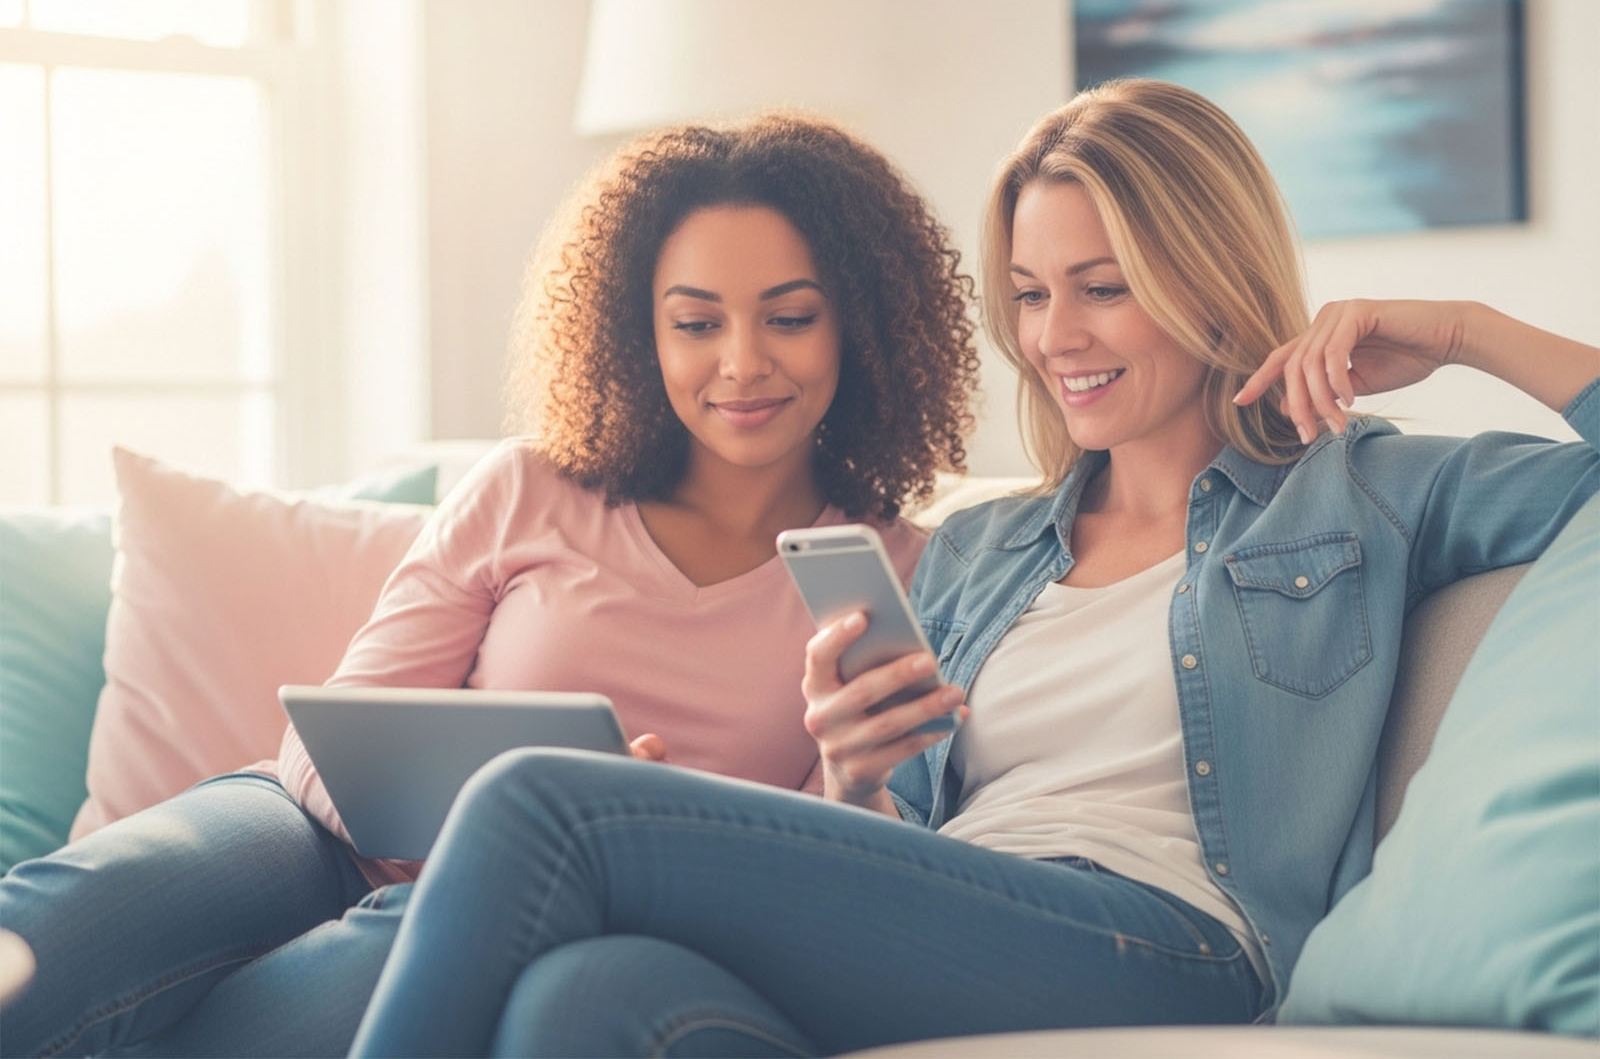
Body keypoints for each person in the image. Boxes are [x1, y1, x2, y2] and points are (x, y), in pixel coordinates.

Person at [345, 78, 1600, 1058]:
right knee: (592, 996)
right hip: (966, 904)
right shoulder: (981, 548)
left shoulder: (1362, 490)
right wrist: (851, 775)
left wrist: (1462, 332)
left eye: (1103, 288)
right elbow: (910, 840)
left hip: (1177, 943)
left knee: (538, 801)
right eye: (1031, 293)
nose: (1057, 337)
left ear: (1210, 280)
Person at [0, 113, 980, 1058]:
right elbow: (331, 736)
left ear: (862, 325)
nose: (741, 362)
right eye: (695, 321)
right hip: (316, 834)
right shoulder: (530, 487)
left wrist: (601, 836)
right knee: (64, 924)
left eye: (790, 317)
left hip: (534, 914)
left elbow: (833, 883)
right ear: (642, 331)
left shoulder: (904, 571)